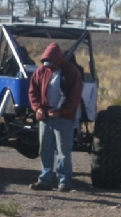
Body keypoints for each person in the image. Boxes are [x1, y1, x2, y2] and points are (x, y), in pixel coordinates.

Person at [28, 42, 82, 191]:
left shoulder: (71, 72)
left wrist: (62, 111)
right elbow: (33, 91)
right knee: (45, 149)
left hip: (63, 118)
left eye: (51, 63)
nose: (49, 66)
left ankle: (64, 181)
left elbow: (75, 96)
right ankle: (45, 180)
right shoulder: (41, 72)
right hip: (45, 116)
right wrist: (38, 108)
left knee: (63, 151)